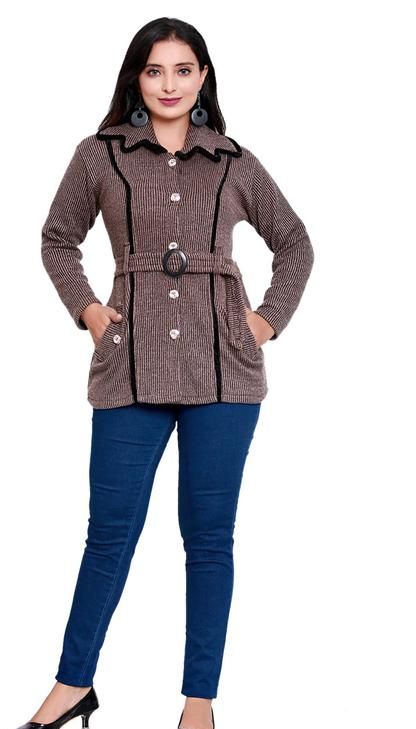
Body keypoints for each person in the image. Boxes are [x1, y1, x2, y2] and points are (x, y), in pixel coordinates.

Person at [16, 16, 314, 729]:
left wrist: (265, 321)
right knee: (108, 535)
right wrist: (89, 310)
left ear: (203, 78)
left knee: (209, 539)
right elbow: (58, 239)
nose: (169, 84)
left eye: (183, 70)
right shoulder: (99, 155)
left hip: (225, 375)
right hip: (129, 367)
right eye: (155, 71)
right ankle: (72, 685)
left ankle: (198, 705)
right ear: (137, 79)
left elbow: (295, 243)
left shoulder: (235, 162)